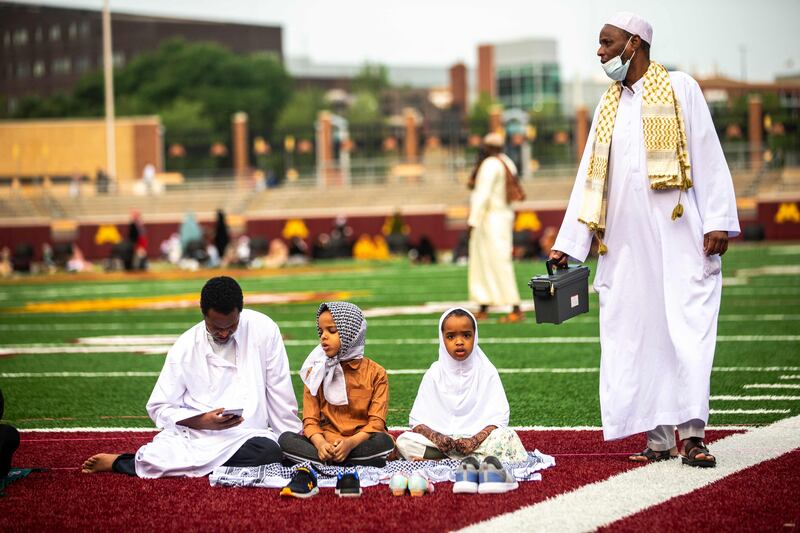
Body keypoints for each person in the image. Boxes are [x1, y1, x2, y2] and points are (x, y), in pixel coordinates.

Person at [548, 12, 739, 468]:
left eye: (606, 42)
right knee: (635, 334)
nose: (600, 52)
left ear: (634, 43)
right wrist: (569, 242)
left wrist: (717, 219)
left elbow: (709, 154)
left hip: (677, 235)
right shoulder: (607, 104)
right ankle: (656, 437)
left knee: (685, 332)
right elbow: (589, 177)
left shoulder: (680, 88)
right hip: (625, 244)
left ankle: (691, 435)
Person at [81, 276, 301, 477]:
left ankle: (189, 466)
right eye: (216, 327)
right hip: (197, 438)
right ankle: (123, 462)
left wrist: (292, 443)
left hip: (248, 438)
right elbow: (159, 407)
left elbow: (279, 393)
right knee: (158, 457)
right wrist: (203, 421)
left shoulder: (264, 330)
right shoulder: (185, 346)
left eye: (231, 326)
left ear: (240, 312)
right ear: (203, 313)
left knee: (269, 452)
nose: (223, 333)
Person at [395, 308, 527, 463]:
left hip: (480, 443)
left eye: (466, 335)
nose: (459, 342)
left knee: (506, 437)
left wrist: (474, 440)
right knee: (404, 442)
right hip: (442, 445)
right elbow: (417, 421)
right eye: (450, 336)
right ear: (442, 338)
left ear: (475, 336)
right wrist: (438, 438)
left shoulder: (486, 371)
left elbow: (499, 419)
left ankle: (445, 461)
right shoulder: (434, 373)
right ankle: (467, 460)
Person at [279, 302, 394, 467]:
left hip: (360, 443)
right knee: (286, 440)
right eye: (321, 331)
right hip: (325, 443)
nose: (323, 337)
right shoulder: (316, 372)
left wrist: (350, 444)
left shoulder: (376, 373)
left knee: (384, 442)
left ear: (352, 334)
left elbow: (376, 423)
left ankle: (325, 462)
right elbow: (310, 421)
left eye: (331, 331)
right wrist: (321, 445)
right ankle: (338, 460)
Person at [467, 133, 524, 322]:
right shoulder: (507, 161)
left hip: (490, 218)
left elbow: (481, 195)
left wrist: (472, 221)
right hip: (502, 216)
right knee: (484, 262)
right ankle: (484, 304)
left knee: (498, 261)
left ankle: (515, 307)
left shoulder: (490, 164)